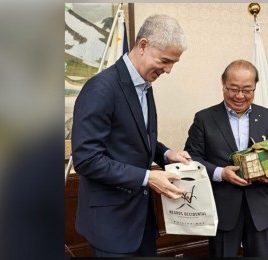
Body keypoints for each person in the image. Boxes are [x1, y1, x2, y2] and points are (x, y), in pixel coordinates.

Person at [71, 14, 191, 257]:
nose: (168, 70)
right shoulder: (101, 88)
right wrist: (148, 177)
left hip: (140, 220)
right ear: (143, 45)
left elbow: (137, 137)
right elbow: (86, 159)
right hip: (110, 223)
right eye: (165, 61)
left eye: (173, 64)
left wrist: (167, 154)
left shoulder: (145, 87)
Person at [184, 59, 268, 257]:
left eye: (247, 90)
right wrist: (221, 173)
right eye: (233, 89)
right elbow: (192, 158)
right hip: (223, 208)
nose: (240, 96)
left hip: (260, 208)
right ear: (223, 85)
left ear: (255, 88)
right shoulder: (204, 119)